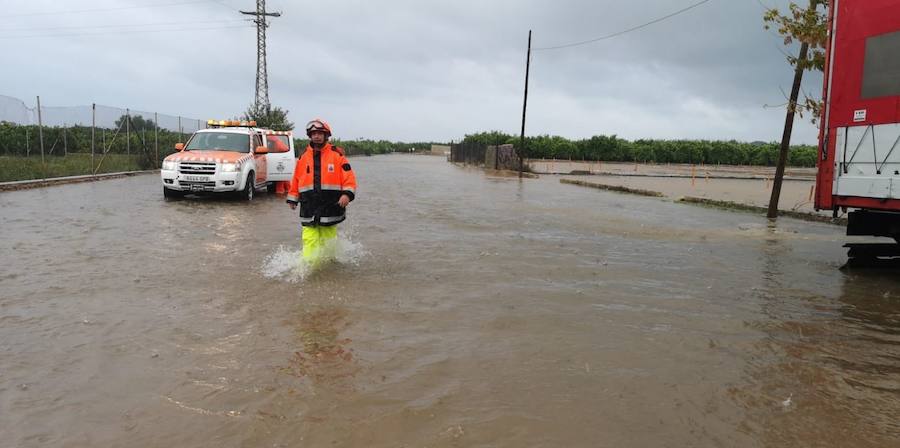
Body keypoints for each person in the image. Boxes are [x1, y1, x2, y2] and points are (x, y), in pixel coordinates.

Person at [287, 118, 357, 266]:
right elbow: (297, 179)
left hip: (330, 204)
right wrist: (293, 198)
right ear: (309, 136)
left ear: (326, 135)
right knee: (309, 236)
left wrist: (347, 194)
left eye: (319, 133)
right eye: (313, 133)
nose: (316, 136)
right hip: (309, 205)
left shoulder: (337, 155)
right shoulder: (303, 157)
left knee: (328, 236)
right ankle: (310, 265)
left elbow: (349, 177)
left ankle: (329, 263)